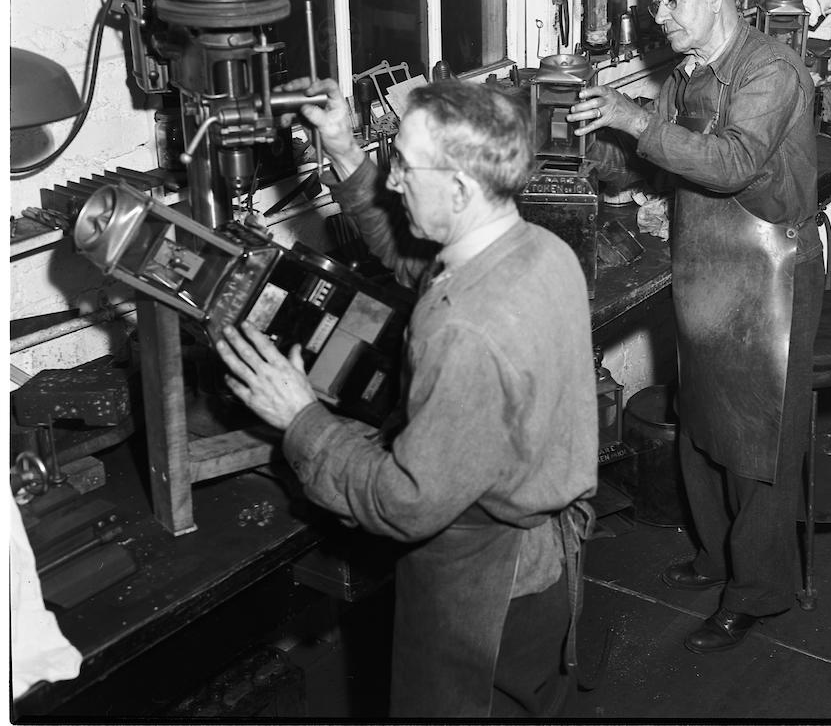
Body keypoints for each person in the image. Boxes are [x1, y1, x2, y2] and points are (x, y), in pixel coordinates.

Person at [214, 79, 598, 718]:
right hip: (545, 572)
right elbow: (418, 262)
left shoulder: (464, 330)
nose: (392, 181)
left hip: (486, 590)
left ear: (460, 188)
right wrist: (342, 152)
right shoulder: (537, 249)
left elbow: (406, 501)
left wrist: (299, 418)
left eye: (403, 165)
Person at [568, 0, 823, 654]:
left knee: (758, 440)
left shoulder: (771, 68)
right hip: (709, 261)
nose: (661, 15)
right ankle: (717, 556)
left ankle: (759, 590)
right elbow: (664, 157)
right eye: (656, 3)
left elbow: (735, 162)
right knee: (706, 424)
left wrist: (633, 116)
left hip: (770, 267)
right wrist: (594, 128)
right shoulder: (687, 73)